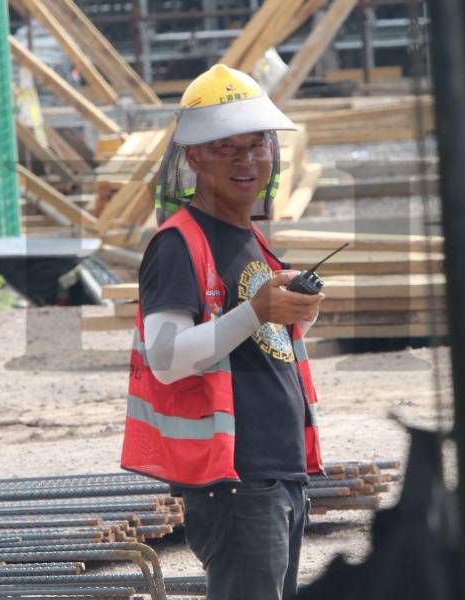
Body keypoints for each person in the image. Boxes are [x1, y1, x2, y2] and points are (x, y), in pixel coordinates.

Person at [121, 64, 325, 600]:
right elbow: (167, 359)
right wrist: (255, 312)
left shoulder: (251, 239)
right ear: (193, 158)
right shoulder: (177, 245)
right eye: (225, 148)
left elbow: (258, 343)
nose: (246, 159)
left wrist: (298, 312)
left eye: (256, 144)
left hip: (277, 474)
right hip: (234, 483)